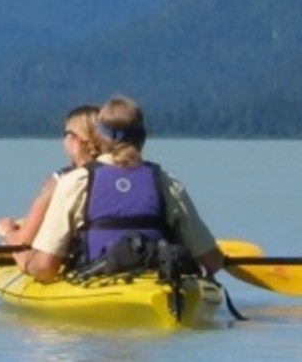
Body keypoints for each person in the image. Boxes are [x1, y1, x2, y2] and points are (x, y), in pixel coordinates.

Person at [13, 95, 224, 283]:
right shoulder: (167, 183)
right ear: (143, 137)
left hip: (96, 282)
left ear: (100, 136)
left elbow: (45, 268)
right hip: (158, 283)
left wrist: (23, 260)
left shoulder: (76, 182)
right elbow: (211, 261)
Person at [0, 104, 101, 269]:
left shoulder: (61, 180)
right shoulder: (124, 176)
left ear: (77, 140)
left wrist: (7, 232)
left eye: (66, 134)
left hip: (77, 264)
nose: (63, 140)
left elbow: (22, 241)